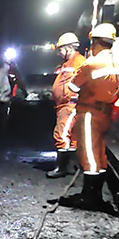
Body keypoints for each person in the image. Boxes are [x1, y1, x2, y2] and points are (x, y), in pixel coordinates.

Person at [58, 23, 119, 212]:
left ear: (94, 42)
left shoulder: (91, 63)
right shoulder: (114, 62)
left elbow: (72, 88)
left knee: (88, 154)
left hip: (89, 113)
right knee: (99, 153)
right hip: (105, 113)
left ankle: (89, 198)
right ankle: (96, 195)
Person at [47, 32, 85, 178]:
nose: (59, 53)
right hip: (65, 105)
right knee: (71, 137)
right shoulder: (68, 63)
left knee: (61, 135)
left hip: (70, 105)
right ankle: (71, 166)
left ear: (69, 48)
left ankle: (61, 167)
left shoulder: (79, 61)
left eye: (61, 49)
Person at [0, 60, 20, 132]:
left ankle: (0, 130)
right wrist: (2, 97)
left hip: (3, 100)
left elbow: (19, 82)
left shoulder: (8, 74)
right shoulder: (1, 72)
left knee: (2, 117)